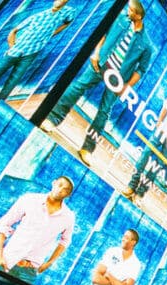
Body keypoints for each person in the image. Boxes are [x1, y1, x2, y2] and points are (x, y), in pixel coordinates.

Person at [45, 1, 152, 164]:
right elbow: (104, 35)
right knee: (77, 87)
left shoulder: (146, 44)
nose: (127, 11)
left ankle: (87, 149)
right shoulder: (120, 19)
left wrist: (126, 87)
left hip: (118, 78)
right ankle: (52, 119)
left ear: (138, 16)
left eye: (130, 11)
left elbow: (141, 70)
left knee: (104, 111)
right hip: (101, 62)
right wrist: (96, 53)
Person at [0, 0, 74, 99]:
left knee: (15, 78)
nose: (61, 1)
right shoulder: (37, 16)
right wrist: (12, 46)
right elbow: (14, 31)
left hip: (32, 52)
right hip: (16, 50)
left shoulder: (68, 12)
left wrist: (53, 33)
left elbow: (68, 22)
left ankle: (1, 98)